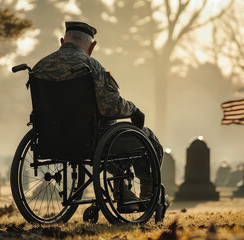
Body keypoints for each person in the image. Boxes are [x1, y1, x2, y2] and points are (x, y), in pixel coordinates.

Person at [32, 21, 166, 209]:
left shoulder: (39, 67)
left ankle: (124, 194)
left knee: (112, 142)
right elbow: (111, 107)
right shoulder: (91, 66)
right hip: (91, 140)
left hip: (51, 140)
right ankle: (148, 197)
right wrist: (134, 110)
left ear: (62, 41)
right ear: (92, 46)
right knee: (149, 139)